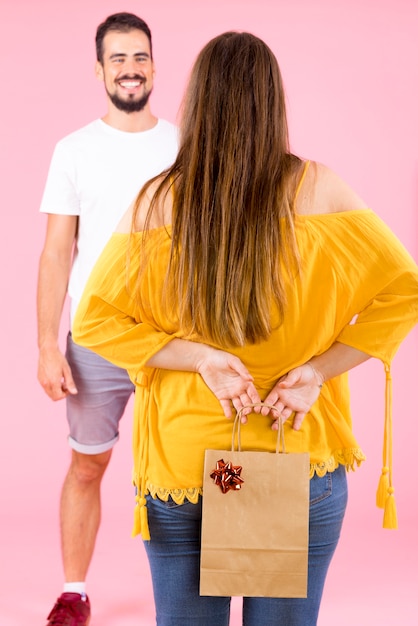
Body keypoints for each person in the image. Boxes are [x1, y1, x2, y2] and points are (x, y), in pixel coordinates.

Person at [72, 31, 418, 626]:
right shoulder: (321, 189)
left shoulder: (156, 202)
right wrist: (315, 372)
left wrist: (200, 358)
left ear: (196, 103)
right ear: (273, 103)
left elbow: (93, 320)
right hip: (297, 454)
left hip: (184, 465)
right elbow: (404, 292)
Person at [37, 12, 178, 625]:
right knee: (88, 462)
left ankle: (198, 589)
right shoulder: (74, 149)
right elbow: (55, 251)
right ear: (100, 70)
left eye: (140, 57)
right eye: (118, 58)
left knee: (186, 466)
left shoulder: (183, 144)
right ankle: (75, 592)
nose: (130, 68)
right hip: (96, 337)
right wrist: (47, 345)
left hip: (175, 338)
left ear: (154, 65)